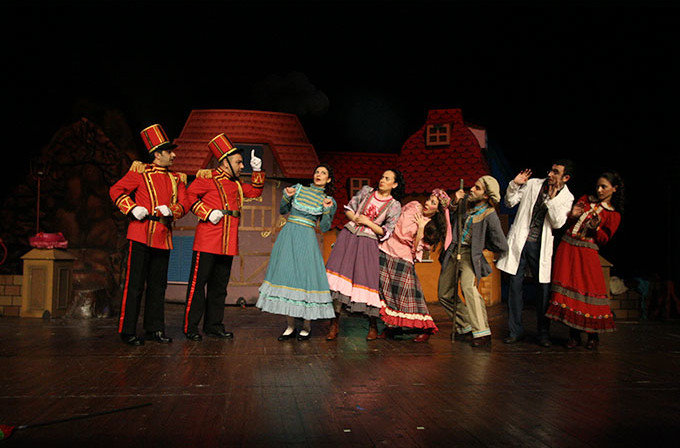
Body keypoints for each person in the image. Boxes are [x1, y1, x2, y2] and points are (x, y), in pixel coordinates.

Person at [109, 124, 188, 346]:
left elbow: (185, 203)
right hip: (141, 234)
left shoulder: (176, 179)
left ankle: (154, 329)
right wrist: (132, 207)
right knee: (134, 286)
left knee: (158, 286)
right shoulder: (140, 172)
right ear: (157, 154)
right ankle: (128, 331)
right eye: (169, 151)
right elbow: (116, 190)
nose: (173, 155)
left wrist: (171, 210)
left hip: (162, 236)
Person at [182, 133, 265, 341]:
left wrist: (257, 171)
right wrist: (206, 212)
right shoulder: (207, 178)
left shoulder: (236, 184)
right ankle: (191, 327)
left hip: (227, 242)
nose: (242, 166)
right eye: (238, 162)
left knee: (219, 287)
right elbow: (188, 196)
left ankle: (214, 325)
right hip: (207, 240)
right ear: (225, 162)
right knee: (198, 285)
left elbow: (254, 192)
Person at [496, 160, 574, 347]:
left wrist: (552, 200)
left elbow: (557, 223)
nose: (550, 174)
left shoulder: (567, 198)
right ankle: (515, 331)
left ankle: (543, 333)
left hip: (540, 245)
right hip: (520, 242)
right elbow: (509, 201)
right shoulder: (533, 184)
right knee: (514, 286)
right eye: (551, 170)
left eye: (556, 172)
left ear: (566, 178)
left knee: (543, 290)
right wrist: (514, 185)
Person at [256, 164, 337, 340]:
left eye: (323, 173)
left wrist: (326, 210)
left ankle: (307, 326)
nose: (319, 175)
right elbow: (283, 210)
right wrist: (286, 197)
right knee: (288, 276)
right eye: (317, 172)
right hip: (289, 235)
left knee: (306, 279)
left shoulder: (328, 200)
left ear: (328, 179)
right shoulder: (299, 189)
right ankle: (290, 326)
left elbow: (324, 227)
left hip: (307, 239)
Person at [546, 171, 624, 349]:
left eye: (604, 187)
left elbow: (604, 239)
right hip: (568, 247)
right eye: (598, 186)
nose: (599, 190)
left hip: (587, 252)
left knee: (588, 290)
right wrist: (572, 215)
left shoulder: (613, 214)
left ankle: (592, 335)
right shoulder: (585, 199)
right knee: (570, 289)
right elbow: (567, 223)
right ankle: (573, 335)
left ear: (614, 188)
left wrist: (596, 229)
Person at [325, 170, 404, 340]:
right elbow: (349, 209)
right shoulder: (367, 191)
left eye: (387, 178)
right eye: (382, 177)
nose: (382, 180)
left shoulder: (394, 205)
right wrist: (356, 219)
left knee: (366, 280)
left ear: (395, 184)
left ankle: (373, 325)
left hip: (368, 242)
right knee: (339, 280)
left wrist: (368, 222)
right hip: (349, 236)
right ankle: (334, 324)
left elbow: (387, 231)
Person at [438, 176, 509, 347]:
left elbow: (501, 244)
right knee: (444, 293)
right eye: (474, 186)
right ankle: (465, 326)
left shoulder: (489, 214)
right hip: (454, 251)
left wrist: (480, 245)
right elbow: (450, 218)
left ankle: (482, 332)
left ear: (486, 195)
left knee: (468, 288)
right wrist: (455, 202)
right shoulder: (465, 203)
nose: (472, 189)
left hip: (470, 254)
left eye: (477, 188)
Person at [378, 190, 449, 342]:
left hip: (403, 258)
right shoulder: (413, 205)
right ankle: (392, 326)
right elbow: (394, 218)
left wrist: (421, 227)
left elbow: (416, 250)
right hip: (386, 248)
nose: (427, 203)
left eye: (433, 203)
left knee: (408, 295)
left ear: (438, 210)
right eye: (429, 199)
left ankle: (425, 328)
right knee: (386, 292)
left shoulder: (431, 226)